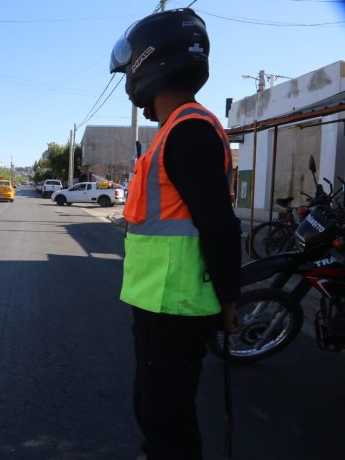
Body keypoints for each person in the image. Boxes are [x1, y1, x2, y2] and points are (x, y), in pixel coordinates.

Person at [110, 8, 242, 460]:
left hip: (176, 307)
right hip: (160, 304)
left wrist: (229, 302)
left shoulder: (188, 132)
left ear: (150, 64)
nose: (129, 75)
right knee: (154, 413)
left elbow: (220, 225)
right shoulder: (176, 131)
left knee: (167, 426)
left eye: (130, 66)